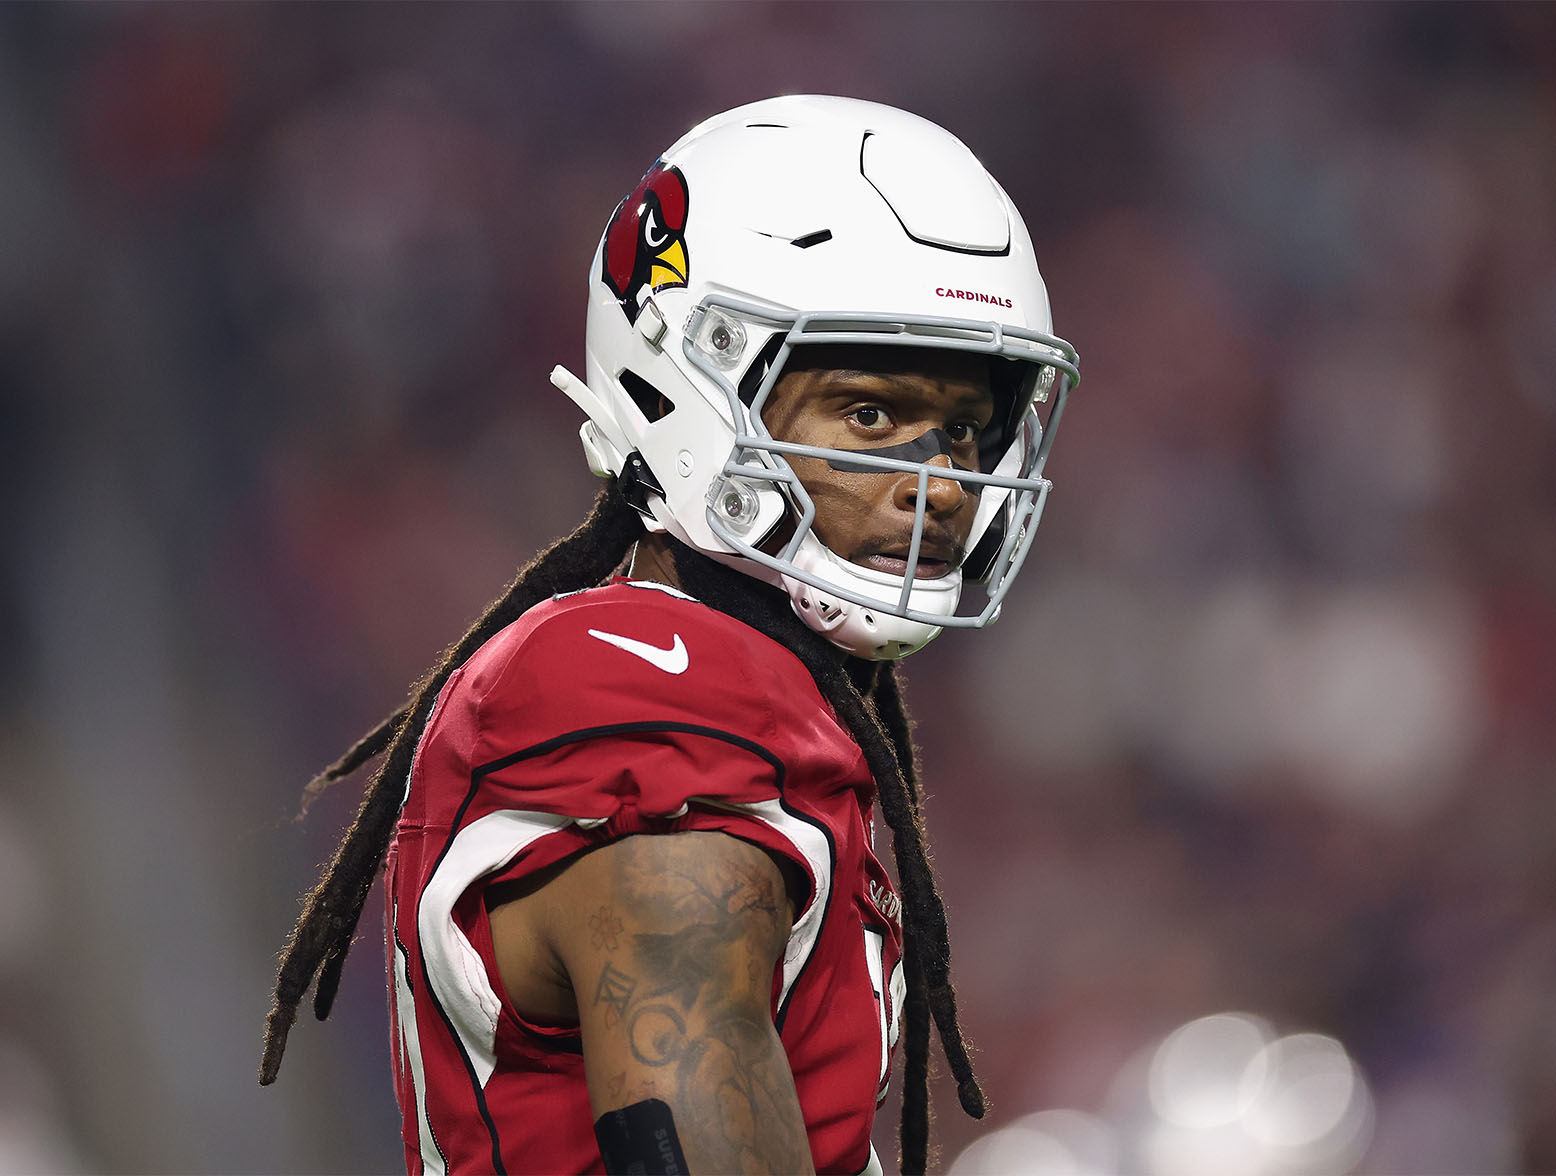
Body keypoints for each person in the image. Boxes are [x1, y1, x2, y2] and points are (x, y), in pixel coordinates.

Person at [259, 94, 1079, 1176]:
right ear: (691, 383)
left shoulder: (768, 696)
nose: (935, 488)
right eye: (869, 415)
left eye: (965, 428)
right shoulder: (637, 694)